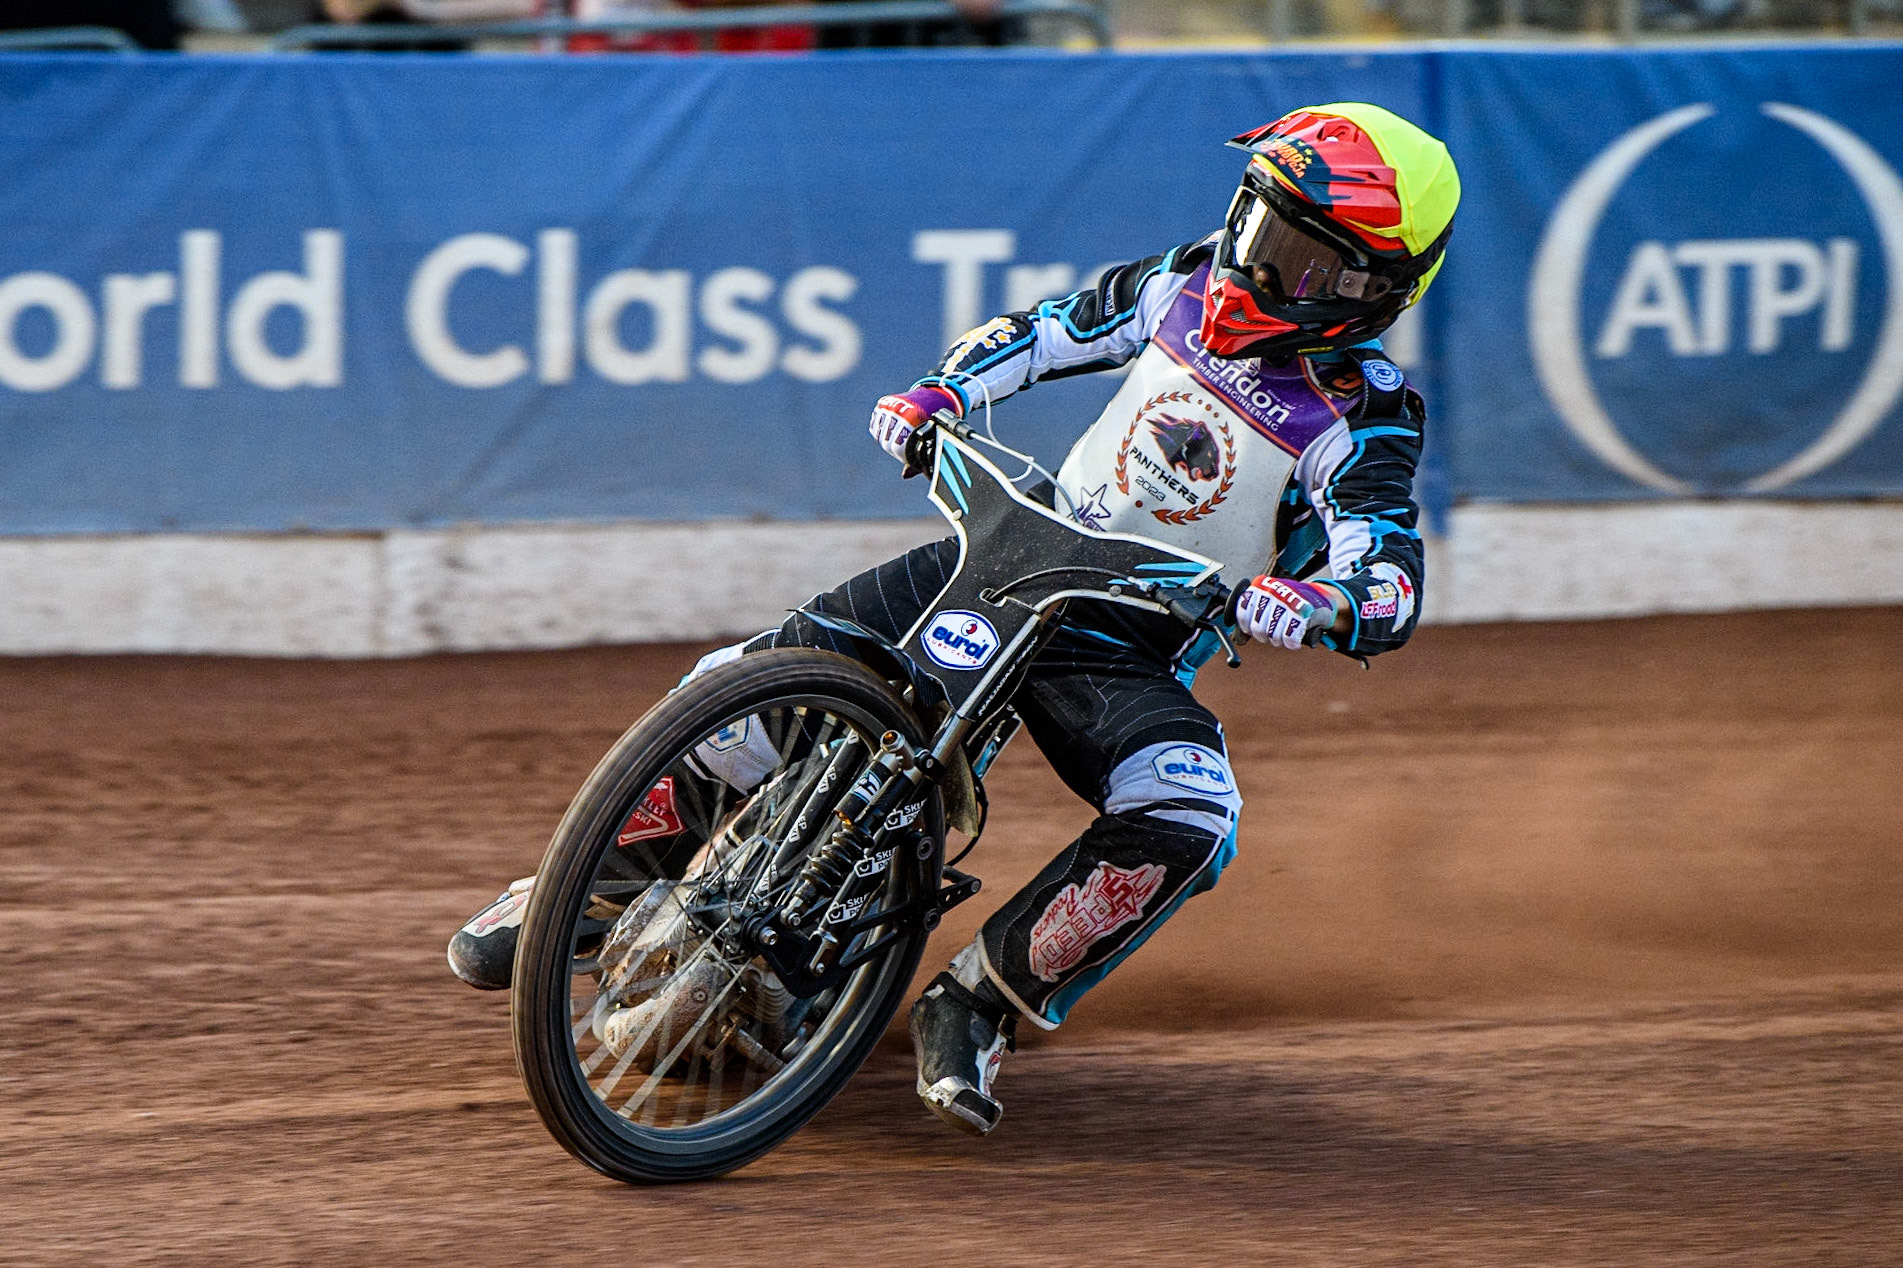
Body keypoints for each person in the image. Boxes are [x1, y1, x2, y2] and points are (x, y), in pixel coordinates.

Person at [449, 102, 1458, 1138]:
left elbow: (1387, 572)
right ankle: (587, 888)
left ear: (1364, 290)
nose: (1252, 262)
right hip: (1009, 546)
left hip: (1126, 636)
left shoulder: (1363, 412)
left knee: (1192, 815)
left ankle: (978, 1002)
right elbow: (1048, 330)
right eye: (1257, 221)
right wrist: (942, 393)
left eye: (1293, 252)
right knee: (744, 679)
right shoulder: (1185, 280)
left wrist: (1320, 600)